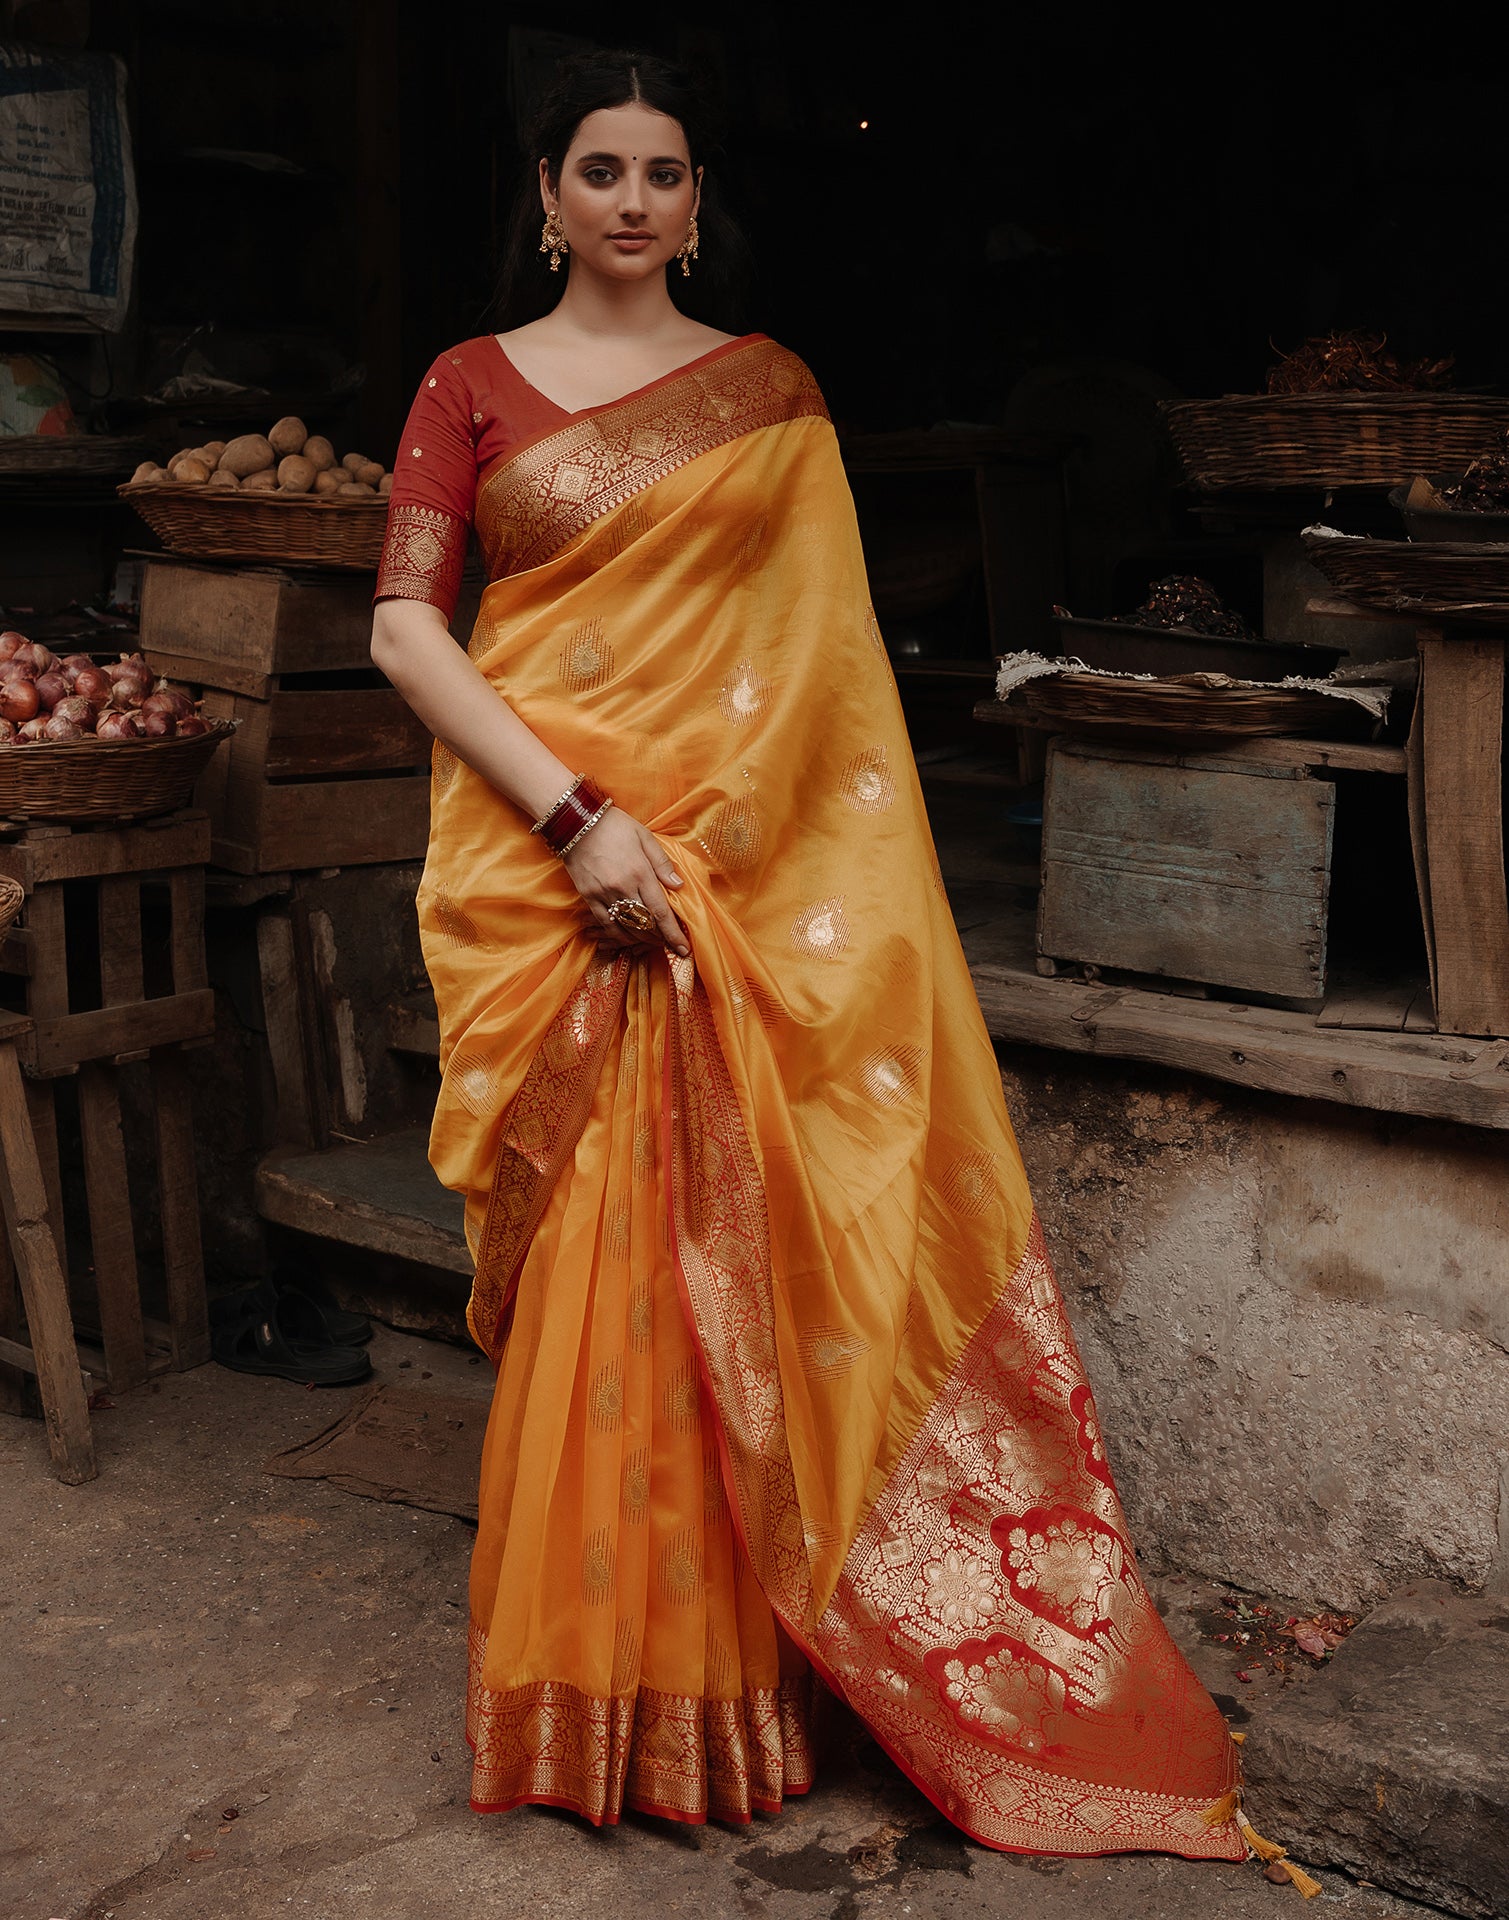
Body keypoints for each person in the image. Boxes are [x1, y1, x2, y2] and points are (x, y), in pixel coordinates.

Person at [370, 47, 1255, 1866]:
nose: (629, 198)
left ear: (699, 207)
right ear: (542, 197)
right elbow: (404, 630)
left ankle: (727, 1700)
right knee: (591, 1287)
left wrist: (691, 853)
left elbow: (823, 697)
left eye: (663, 172)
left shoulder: (768, 401)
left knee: (718, 1278)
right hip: (565, 882)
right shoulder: (466, 387)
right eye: (597, 168)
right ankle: (581, 1693)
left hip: (731, 909)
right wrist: (578, 823)